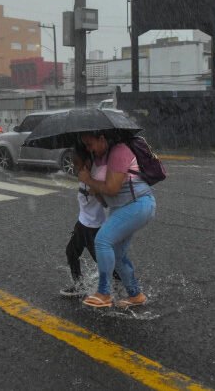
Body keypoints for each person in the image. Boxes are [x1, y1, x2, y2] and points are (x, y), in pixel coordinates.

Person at [78, 131, 156, 309]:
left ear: (102, 138)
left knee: (102, 240)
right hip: (120, 207)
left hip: (138, 204)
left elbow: (112, 188)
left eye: (90, 143)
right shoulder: (99, 158)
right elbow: (106, 198)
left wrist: (89, 180)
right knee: (117, 253)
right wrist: (93, 188)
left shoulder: (119, 151)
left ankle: (104, 293)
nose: (88, 148)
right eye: (85, 145)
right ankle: (135, 295)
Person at [60, 144, 120, 297]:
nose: (74, 168)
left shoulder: (98, 175)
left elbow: (108, 201)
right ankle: (79, 285)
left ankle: (122, 284)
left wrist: (96, 190)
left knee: (102, 260)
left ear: (87, 162)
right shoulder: (83, 173)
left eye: (77, 164)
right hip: (82, 223)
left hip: (96, 227)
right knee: (71, 252)